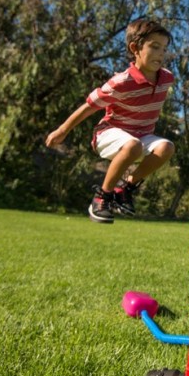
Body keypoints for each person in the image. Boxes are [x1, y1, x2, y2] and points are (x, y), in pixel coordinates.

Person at [46, 17, 175, 223]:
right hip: (108, 134)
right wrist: (62, 130)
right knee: (132, 145)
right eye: (154, 47)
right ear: (135, 48)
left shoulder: (166, 78)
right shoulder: (120, 82)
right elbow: (89, 107)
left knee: (167, 147)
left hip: (141, 137)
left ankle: (124, 190)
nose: (161, 53)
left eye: (164, 48)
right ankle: (101, 197)